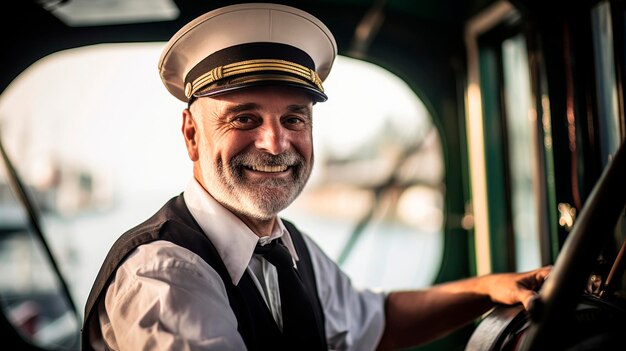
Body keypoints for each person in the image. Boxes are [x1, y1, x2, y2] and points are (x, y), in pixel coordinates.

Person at [81, 3, 551, 351]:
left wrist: (486, 289)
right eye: (244, 119)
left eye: (294, 119)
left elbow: (375, 321)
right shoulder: (166, 275)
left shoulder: (287, 247)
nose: (276, 143)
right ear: (191, 135)